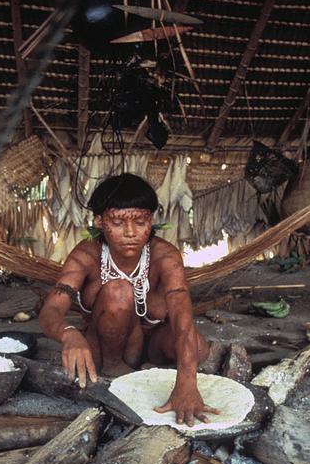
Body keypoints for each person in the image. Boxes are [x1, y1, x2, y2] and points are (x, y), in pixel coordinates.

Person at [39, 173, 219, 426]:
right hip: (105, 346)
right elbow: (52, 310)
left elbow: (181, 315)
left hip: (151, 342)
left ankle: (146, 367)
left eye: (140, 221)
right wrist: (69, 334)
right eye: (118, 222)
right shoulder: (86, 255)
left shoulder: (164, 256)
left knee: (198, 348)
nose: (131, 232)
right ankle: (114, 370)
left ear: (151, 221)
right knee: (118, 292)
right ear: (100, 221)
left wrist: (187, 382)